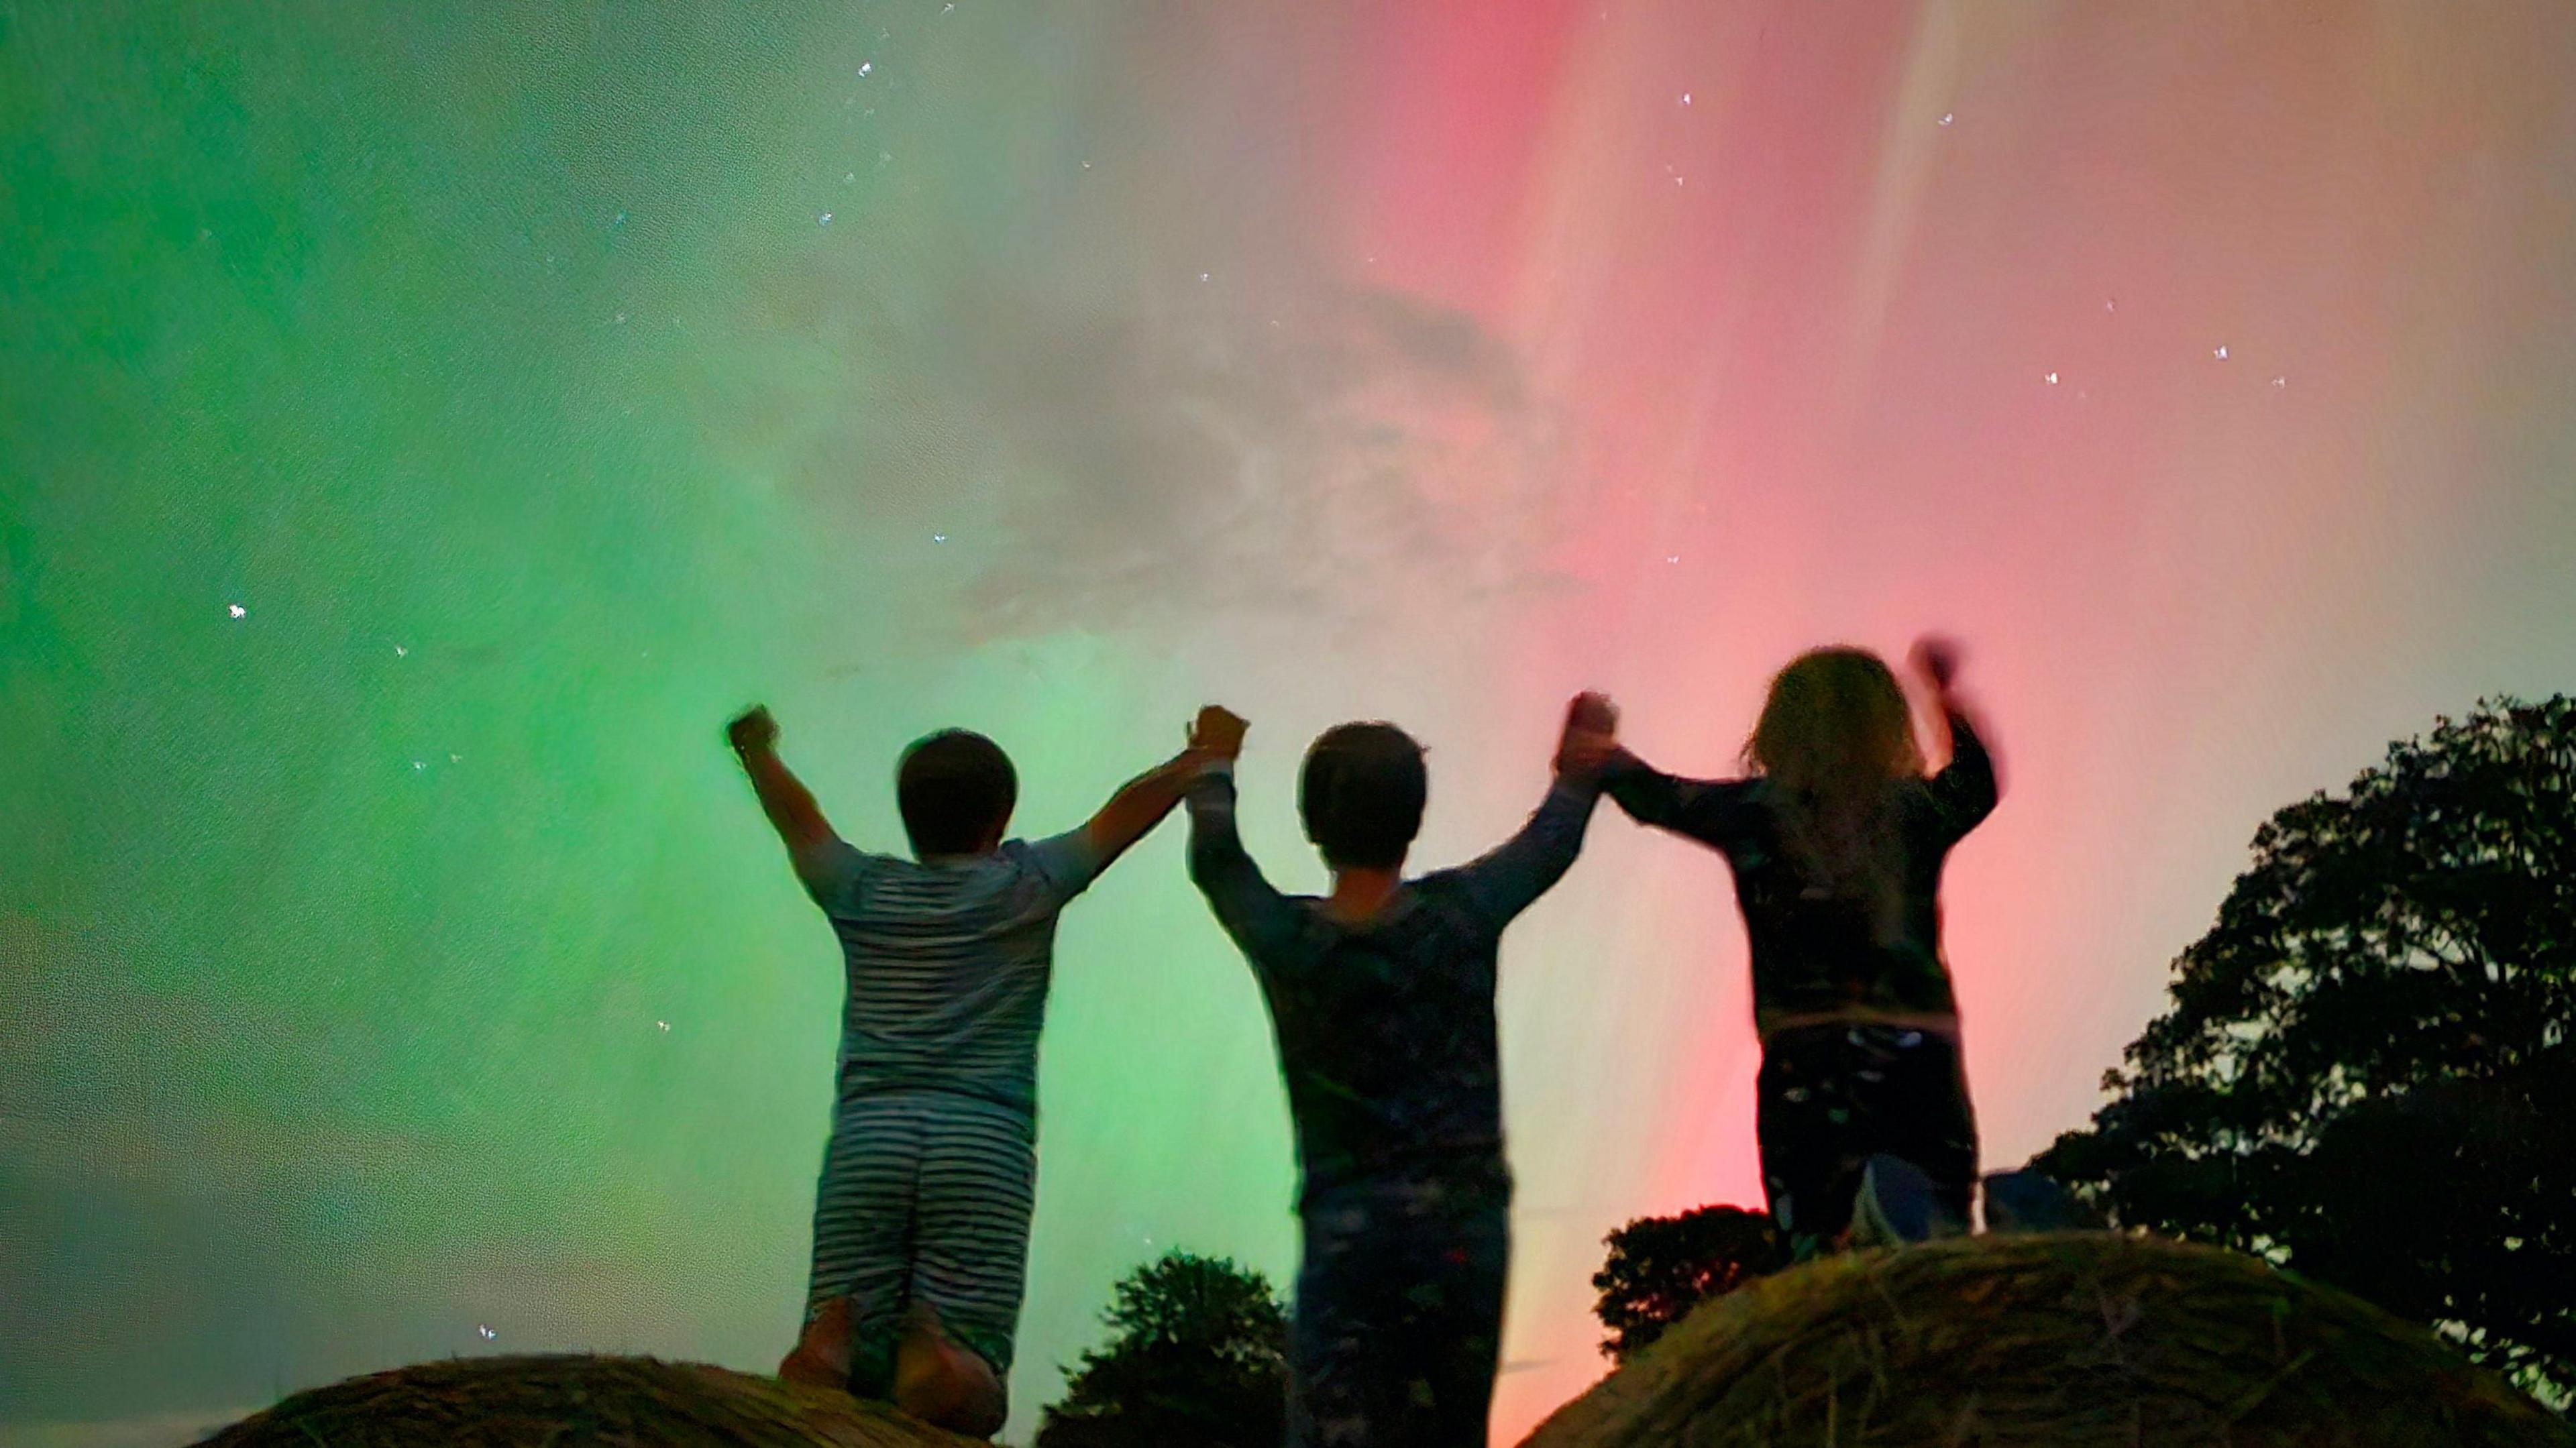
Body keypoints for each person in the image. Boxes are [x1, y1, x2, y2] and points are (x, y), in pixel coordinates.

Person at [727, 704, 1211, 1435]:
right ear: (1001, 815)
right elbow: (1121, 816)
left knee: (843, 1336)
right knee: (969, 1387)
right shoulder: (1028, 883)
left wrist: (759, 751)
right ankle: (941, 1354)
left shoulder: (862, 888)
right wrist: (1197, 757)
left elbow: (800, 823)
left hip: (871, 1136)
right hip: (982, 1144)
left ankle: (831, 1338)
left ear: (910, 816)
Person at [1181, 695, 1619, 1447]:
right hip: (1464, 1225)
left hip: (1348, 1228)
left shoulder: (1291, 938)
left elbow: (1217, 861)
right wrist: (1579, 764)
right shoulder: (1461, 913)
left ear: (1312, 825)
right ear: (1415, 820)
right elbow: (1550, 842)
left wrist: (1213, 762)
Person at [1601, 638, 1998, 1258]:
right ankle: (1916, 1227)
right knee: (1939, 1262)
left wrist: (1597, 748)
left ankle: (1850, 1235)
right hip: (1918, 1056)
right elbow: (1977, 783)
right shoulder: (1914, 811)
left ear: (1778, 733)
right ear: (1884, 727)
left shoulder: (1754, 813)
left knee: (1817, 1259)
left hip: (1808, 1067)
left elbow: (1652, 794)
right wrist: (1943, 697)